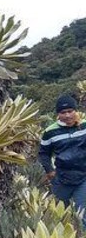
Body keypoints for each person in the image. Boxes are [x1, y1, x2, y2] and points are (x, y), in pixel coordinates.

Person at [38, 94, 86, 225]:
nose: (67, 115)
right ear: (58, 114)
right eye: (63, 112)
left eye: (70, 111)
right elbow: (43, 153)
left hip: (83, 177)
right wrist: (49, 171)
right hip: (61, 178)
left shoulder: (84, 126)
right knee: (59, 216)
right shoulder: (50, 132)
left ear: (76, 111)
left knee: (82, 215)